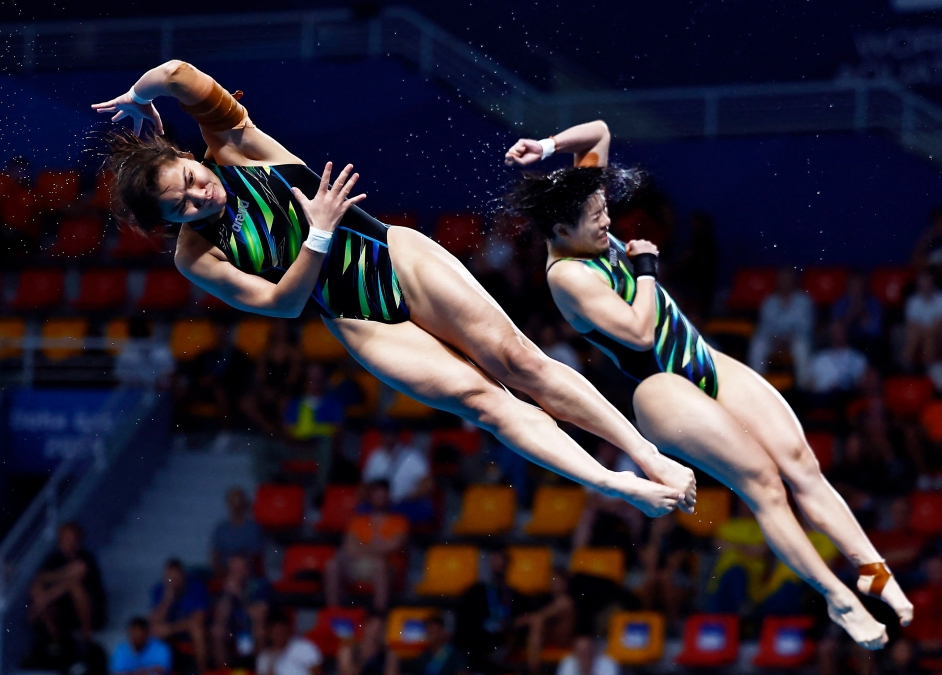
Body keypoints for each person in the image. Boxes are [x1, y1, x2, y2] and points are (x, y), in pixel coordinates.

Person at [92, 60, 695, 519]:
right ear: (167, 223)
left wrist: (141, 95)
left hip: (395, 256)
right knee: (490, 406)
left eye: (191, 179)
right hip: (361, 321)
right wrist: (319, 234)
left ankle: (645, 454)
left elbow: (175, 74)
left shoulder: (234, 147)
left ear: (188, 156)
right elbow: (283, 302)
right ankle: (616, 484)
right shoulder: (196, 255)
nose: (199, 195)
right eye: (181, 205)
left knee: (519, 363)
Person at [501, 119, 908, 650]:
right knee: (763, 483)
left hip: (703, 360)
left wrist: (549, 146)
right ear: (560, 232)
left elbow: (599, 133)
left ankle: (873, 572)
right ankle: (838, 597)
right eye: (596, 220)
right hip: (660, 387)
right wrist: (646, 268)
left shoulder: (579, 210)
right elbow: (641, 333)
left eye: (605, 213)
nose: (606, 223)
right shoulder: (568, 277)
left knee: (801, 462)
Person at [324, 480, 408, 612]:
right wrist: (378, 548)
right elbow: (350, 548)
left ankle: (379, 615)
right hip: (359, 565)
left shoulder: (399, 522)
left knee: (380, 565)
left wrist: (363, 546)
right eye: (376, 495)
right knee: (332, 565)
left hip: (386, 568)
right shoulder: (358, 521)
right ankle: (333, 614)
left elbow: (393, 546)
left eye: (382, 496)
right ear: (371, 497)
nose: (379, 499)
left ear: (388, 498)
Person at [29, 521, 106, 644]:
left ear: (78, 540)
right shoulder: (54, 559)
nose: (68, 542)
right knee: (36, 586)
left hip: (91, 612)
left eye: (71, 538)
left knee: (75, 587)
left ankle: (86, 635)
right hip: (64, 610)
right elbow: (41, 577)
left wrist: (45, 599)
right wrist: (63, 575)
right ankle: (53, 634)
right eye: (64, 538)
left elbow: (79, 571)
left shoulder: (86, 557)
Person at [454, 548, 526, 673]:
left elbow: (522, 622)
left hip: (505, 648)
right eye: (494, 559)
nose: (497, 564)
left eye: (501, 559)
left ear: (508, 564)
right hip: (479, 650)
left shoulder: (516, 596)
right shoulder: (474, 593)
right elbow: (465, 628)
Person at [361, 428, 434, 525]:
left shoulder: (412, 456)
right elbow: (365, 485)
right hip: (382, 504)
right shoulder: (375, 456)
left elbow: (428, 484)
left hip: (406, 502)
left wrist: (408, 496)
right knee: (361, 510)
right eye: (386, 434)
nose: (388, 438)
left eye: (391, 434)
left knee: (423, 510)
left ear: (397, 436)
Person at [149, 559, 209, 673]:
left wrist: (171, 629)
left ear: (183, 575)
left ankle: (202, 671)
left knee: (197, 630)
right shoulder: (159, 590)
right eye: (170, 578)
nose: (174, 582)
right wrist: (168, 599)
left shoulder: (195, 587)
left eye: (177, 578)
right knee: (155, 630)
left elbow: (198, 619)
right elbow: (153, 620)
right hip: (172, 634)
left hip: (188, 632)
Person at [211, 555, 270, 668]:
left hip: (252, 628)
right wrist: (227, 595)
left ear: (247, 570)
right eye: (234, 570)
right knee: (217, 631)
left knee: (260, 630)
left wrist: (239, 594)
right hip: (233, 630)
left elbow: (259, 614)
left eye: (240, 569)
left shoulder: (260, 585)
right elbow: (220, 617)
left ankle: (259, 669)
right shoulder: (225, 588)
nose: (237, 573)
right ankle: (223, 670)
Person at [513, 570, 575, 674]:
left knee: (537, 622)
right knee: (536, 624)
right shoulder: (552, 600)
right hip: (553, 637)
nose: (554, 585)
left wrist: (521, 621)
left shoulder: (565, 601)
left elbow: (541, 615)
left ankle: (533, 670)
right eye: (552, 582)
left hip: (564, 640)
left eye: (558, 582)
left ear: (565, 584)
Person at [902, 271, 942, 370]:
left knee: (929, 337)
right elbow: (911, 324)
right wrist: (924, 333)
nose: (924, 283)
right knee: (913, 335)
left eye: (927, 280)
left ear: (933, 281)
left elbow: (938, 325)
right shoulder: (913, 300)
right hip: (920, 336)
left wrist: (925, 333)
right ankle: (905, 369)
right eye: (921, 280)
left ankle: (928, 371)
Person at [210, 487, 265, 578]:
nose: (236, 506)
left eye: (238, 502)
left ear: (244, 504)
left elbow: (256, 558)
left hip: (248, 574)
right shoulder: (221, 529)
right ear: (228, 504)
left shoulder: (254, 529)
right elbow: (215, 556)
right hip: (225, 574)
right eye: (233, 502)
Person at [805, 322, 868, 395]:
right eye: (834, 331)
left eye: (840, 331)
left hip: (847, 398)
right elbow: (809, 383)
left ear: (846, 332)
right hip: (822, 399)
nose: (836, 334)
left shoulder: (857, 358)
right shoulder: (819, 358)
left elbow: (862, 384)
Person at [389, 616, 467, 675]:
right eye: (429, 632)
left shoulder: (455, 655)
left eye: (434, 632)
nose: (431, 636)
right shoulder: (423, 656)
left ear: (442, 632)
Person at [256, 609, 322, 675]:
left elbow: (317, 672)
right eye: (277, 633)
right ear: (269, 633)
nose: (280, 636)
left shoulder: (305, 647)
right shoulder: (264, 657)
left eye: (282, 632)